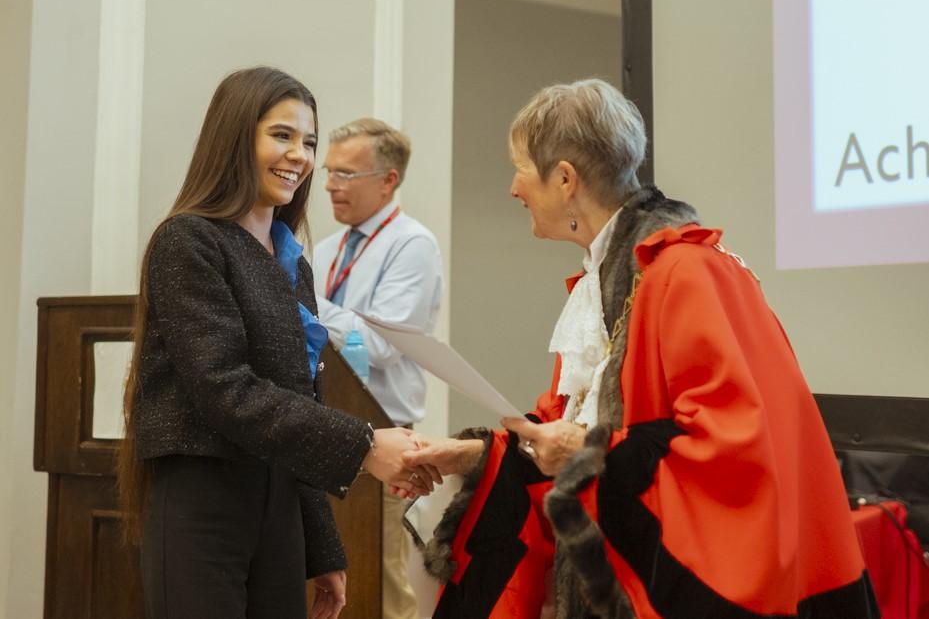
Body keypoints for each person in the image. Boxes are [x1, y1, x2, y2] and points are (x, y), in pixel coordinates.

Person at [404, 79, 878, 618]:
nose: (513, 188)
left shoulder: (686, 271)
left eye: (519, 168)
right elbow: (565, 427)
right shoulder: (605, 282)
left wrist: (587, 453)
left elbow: (731, 442)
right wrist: (471, 455)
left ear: (564, 180)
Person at [116, 67, 438, 619]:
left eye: (309, 141)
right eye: (282, 135)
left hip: (279, 513)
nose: (300, 156)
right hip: (203, 504)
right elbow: (226, 390)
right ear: (235, 136)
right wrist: (364, 444)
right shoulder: (188, 240)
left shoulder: (292, 263)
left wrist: (322, 548)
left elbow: (299, 404)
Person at [312, 118, 443, 619]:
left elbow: (381, 343)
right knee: (330, 590)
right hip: (326, 433)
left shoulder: (412, 245)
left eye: (345, 174)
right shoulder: (326, 250)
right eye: (329, 171)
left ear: (388, 179)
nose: (328, 184)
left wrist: (304, 307)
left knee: (382, 588)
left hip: (384, 440)